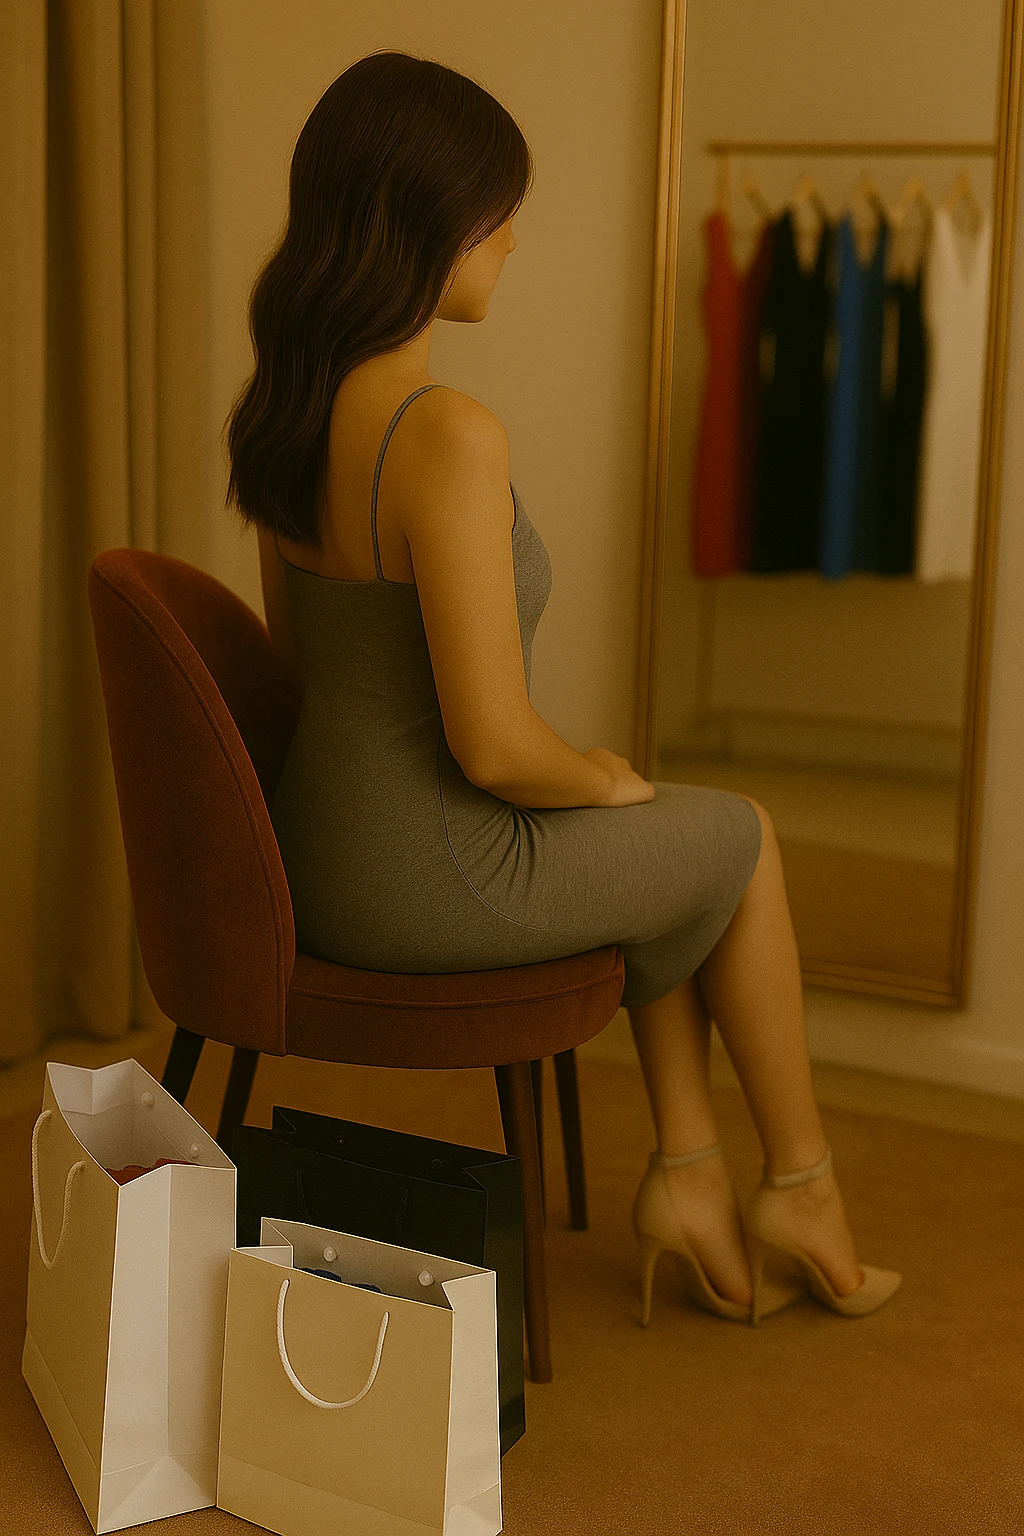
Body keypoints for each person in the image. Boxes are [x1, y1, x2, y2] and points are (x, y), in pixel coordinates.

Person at [224, 50, 900, 1326]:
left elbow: (306, 672)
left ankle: (691, 1170)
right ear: (430, 219)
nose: (513, 238)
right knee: (737, 835)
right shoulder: (444, 433)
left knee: (657, 846)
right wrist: (595, 777)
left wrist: (587, 791)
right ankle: (798, 1185)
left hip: (316, 855)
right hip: (429, 874)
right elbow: (491, 747)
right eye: (499, 209)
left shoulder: (291, 412)